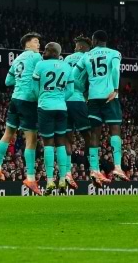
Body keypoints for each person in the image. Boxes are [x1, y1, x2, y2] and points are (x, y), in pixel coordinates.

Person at [0, 33, 43, 195]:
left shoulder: (16, 59)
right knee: (31, 140)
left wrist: (21, 80)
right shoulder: (36, 57)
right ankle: (30, 178)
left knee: (8, 134)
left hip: (15, 99)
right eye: (36, 42)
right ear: (27, 44)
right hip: (28, 101)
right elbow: (42, 73)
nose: (38, 45)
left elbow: (8, 82)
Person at [82, 30, 127, 182]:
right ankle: (118, 167)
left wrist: (82, 92)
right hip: (110, 97)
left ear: (94, 41)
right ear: (105, 41)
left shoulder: (86, 56)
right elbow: (115, 69)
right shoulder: (115, 53)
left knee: (95, 133)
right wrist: (115, 89)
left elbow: (76, 76)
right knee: (115, 130)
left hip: (94, 98)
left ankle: (94, 169)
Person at [33, 42, 72, 192]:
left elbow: (34, 88)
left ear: (55, 52)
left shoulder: (40, 65)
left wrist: (41, 97)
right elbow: (71, 90)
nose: (44, 50)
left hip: (45, 107)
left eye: (48, 49)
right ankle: (62, 179)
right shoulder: (67, 67)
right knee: (61, 143)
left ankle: (50, 180)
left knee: (48, 143)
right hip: (61, 107)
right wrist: (60, 98)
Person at [60, 37, 94, 190]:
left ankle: (67, 172)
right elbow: (90, 81)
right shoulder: (88, 57)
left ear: (80, 46)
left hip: (63, 101)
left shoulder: (66, 59)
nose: (74, 49)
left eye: (75, 46)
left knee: (67, 137)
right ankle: (92, 168)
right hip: (78, 100)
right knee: (89, 136)